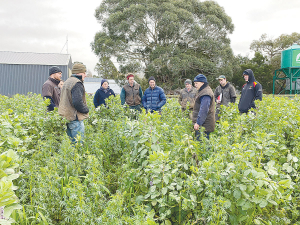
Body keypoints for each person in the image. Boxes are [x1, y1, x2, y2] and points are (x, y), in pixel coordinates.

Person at [58, 62, 89, 143]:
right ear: (79, 72)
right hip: (75, 118)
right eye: (84, 73)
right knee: (78, 145)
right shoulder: (77, 83)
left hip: (68, 117)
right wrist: (86, 110)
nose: (85, 75)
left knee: (72, 144)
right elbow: (77, 102)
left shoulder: (68, 81)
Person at [191, 74, 215, 140]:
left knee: (203, 145)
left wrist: (198, 123)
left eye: (196, 83)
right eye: (194, 83)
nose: (195, 85)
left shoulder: (206, 93)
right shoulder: (203, 91)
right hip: (203, 124)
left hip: (204, 125)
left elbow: (204, 110)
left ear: (202, 83)